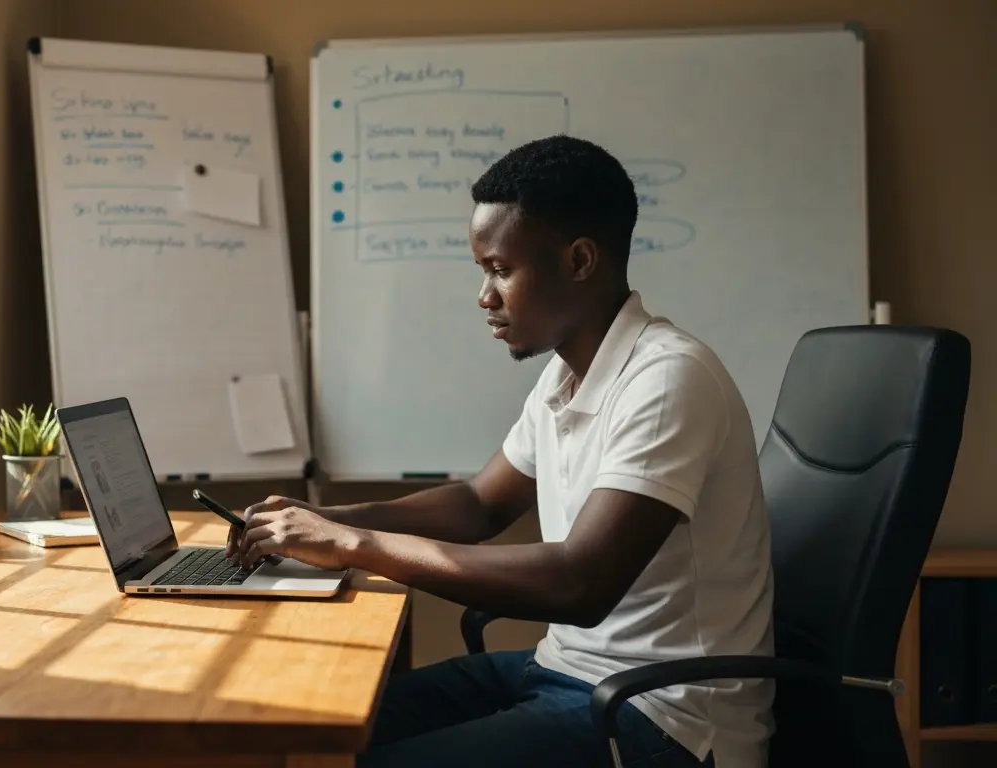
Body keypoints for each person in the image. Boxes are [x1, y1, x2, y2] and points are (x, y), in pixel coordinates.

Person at [226, 135, 775, 767]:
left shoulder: (668, 379)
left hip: (664, 717)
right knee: (310, 729)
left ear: (579, 260)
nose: (485, 296)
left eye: (500, 269)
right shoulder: (568, 375)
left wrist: (354, 545)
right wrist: (323, 520)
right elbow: (478, 504)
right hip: (567, 670)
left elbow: (580, 582)